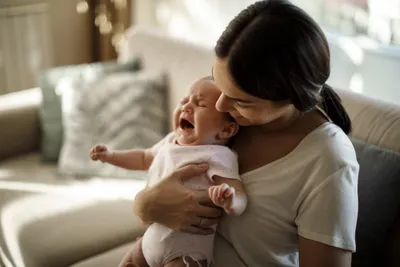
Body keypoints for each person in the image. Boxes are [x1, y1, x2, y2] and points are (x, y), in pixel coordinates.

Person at [129, 0, 360, 267]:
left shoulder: (328, 162)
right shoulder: (224, 120)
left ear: (292, 99)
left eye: (242, 101)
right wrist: (144, 205)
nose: (219, 106)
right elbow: (162, 163)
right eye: (218, 80)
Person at [90, 77, 248, 267]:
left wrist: (230, 200)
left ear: (226, 130)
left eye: (200, 104)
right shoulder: (170, 141)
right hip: (147, 244)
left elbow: (239, 193)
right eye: (184, 101)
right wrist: (111, 155)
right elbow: (143, 158)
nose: (186, 107)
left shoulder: (218, 155)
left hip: (185, 253)